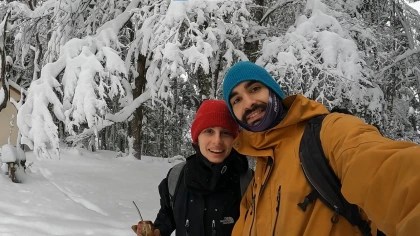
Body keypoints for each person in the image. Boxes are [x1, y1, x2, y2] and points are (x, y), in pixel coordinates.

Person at [221, 61, 420, 236]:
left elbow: (394, 177)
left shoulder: (329, 132)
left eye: (254, 89)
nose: (248, 104)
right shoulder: (259, 174)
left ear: (273, 90)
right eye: (236, 100)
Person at [133, 99, 253, 236]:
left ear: (235, 138)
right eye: (209, 131)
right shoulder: (176, 176)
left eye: (226, 133)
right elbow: (168, 214)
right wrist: (158, 230)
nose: (217, 141)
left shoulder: (249, 182)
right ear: (197, 137)